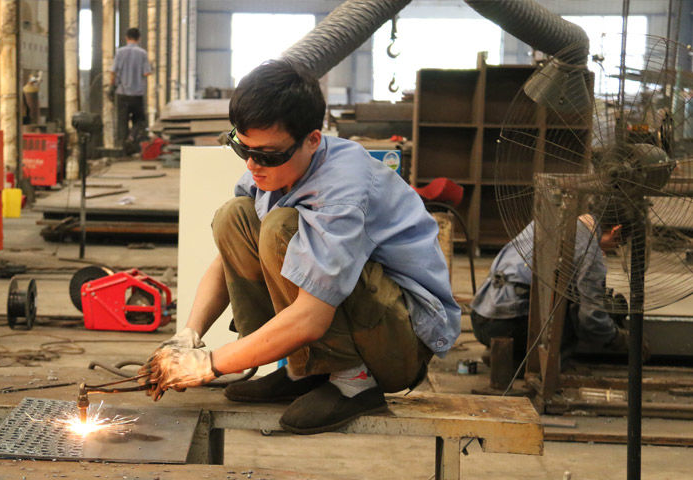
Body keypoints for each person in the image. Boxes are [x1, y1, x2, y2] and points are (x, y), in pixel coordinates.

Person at [140, 59, 461, 435]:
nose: (254, 165)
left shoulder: (340, 190)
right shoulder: (275, 166)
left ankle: (354, 381)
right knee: (235, 216)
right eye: (243, 149)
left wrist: (210, 364)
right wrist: (188, 336)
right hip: (362, 318)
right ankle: (304, 371)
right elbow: (225, 261)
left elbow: (311, 317)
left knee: (281, 228)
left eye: (268, 155)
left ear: (312, 139)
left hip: (399, 343)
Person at [470, 211, 637, 370]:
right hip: (508, 325)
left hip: (480, 320)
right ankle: (542, 365)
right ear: (616, 230)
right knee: (573, 310)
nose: (612, 249)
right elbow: (591, 319)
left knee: (563, 294)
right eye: (617, 244)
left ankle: (507, 354)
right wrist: (619, 338)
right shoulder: (589, 250)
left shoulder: (548, 221)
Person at [109, 27, 151, 155]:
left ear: (126, 38)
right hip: (137, 94)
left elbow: (113, 72)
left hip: (122, 93)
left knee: (122, 121)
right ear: (139, 38)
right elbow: (146, 73)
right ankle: (132, 138)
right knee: (139, 120)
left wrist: (112, 87)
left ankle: (124, 149)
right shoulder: (143, 53)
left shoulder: (120, 52)